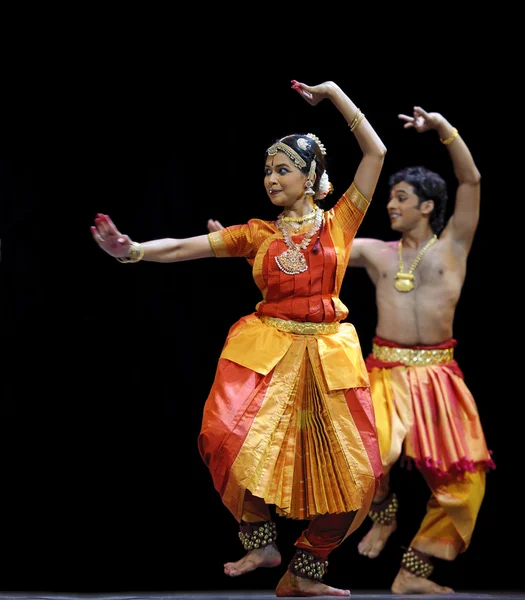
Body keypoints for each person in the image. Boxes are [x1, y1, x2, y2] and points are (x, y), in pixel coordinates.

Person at [90, 80, 387, 598]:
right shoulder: (258, 234)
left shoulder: (341, 222)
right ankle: (261, 540)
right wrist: (132, 250)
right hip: (269, 352)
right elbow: (188, 248)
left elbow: (377, 151)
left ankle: (307, 571)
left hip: (327, 356)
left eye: (283, 169)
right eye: (268, 170)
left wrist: (335, 94)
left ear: (310, 176)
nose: (271, 178)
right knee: (220, 436)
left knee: (355, 474)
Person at [207, 107, 494, 595]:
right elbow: (309, 253)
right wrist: (252, 247)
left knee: (466, 486)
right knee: (364, 468)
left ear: (428, 206)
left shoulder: (454, 248)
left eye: (402, 198)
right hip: (384, 370)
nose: (391, 205)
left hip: (441, 376)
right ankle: (373, 521)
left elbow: (470, 181)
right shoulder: (375, 251)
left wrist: (445, 131)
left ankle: (415, 568)